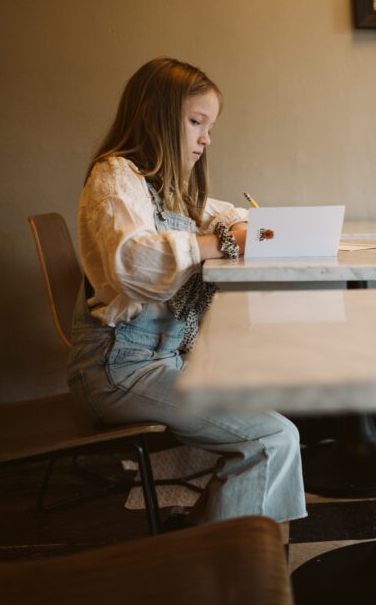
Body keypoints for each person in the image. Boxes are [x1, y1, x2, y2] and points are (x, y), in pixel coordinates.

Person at [67, 57, 306, 527]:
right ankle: (225, 561)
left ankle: (214, 536)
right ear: (156, 116)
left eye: (209, 126)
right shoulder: (115, 178)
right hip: (119, 370)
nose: (206, 139)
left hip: (157, 358)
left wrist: (232, 225)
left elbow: (217, 211)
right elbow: (134, 264)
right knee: (272, 437)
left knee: (266, 385)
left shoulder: (164, 188)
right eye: (196, 122)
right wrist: (224, 241)